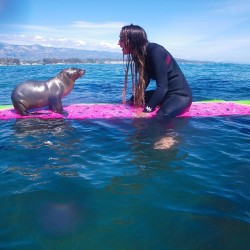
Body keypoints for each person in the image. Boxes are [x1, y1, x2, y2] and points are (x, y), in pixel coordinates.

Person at [118, 24, 192, 149]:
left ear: (132, 40)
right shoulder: (139, 54)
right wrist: (132, 100)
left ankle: (168, 137)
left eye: (121, 39)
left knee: (160, 117)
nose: (118, 43)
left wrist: (147, 110)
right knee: (134, 101)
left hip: (179, 95)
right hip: (165, 94)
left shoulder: (155, 51)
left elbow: (162, 87)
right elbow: (144, 80)